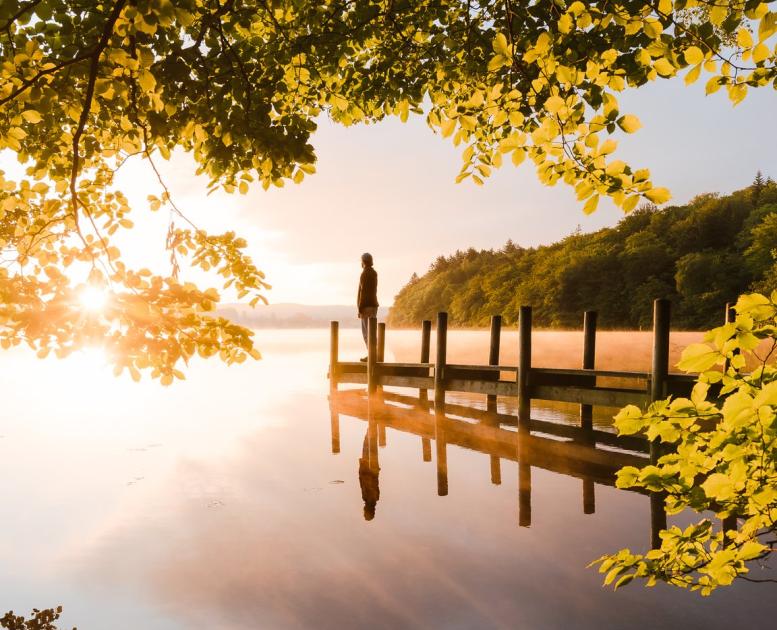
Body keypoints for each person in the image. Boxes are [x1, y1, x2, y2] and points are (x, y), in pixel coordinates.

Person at [357, 252, 378, 361]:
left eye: (361, 261)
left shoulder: (364, 273)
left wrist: (360, 308)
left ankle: (371, 356)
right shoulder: (374, 273)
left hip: (366, 306)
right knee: (372, 331)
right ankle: (374, 355)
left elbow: (363, 292)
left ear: (364, 262)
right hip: (374, 305)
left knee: (366, 333)